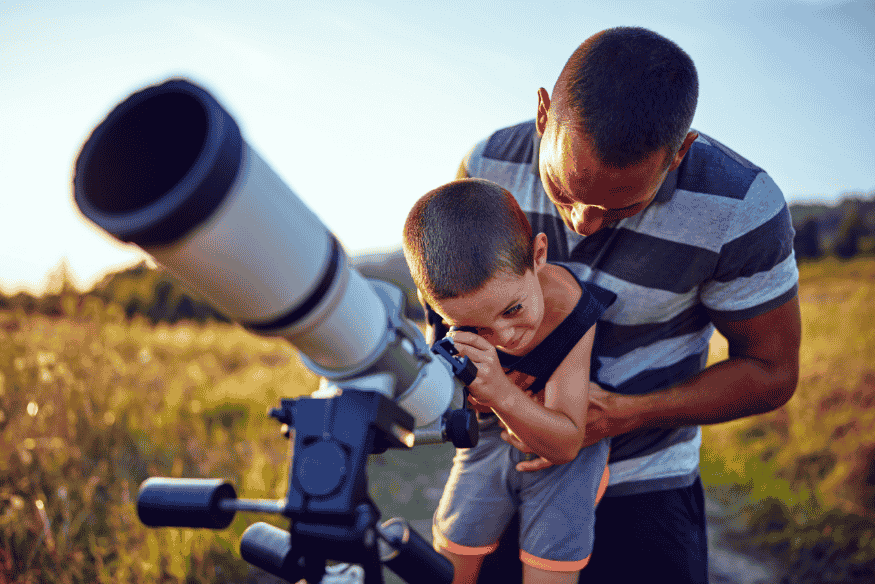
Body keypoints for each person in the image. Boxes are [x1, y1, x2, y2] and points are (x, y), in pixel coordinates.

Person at [358, 25, 802, 583]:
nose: (582, 223)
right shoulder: (487, 165)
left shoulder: (740, 209)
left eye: (620, 207)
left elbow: (772, 372)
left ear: (678, 153)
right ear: (544, 114)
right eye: (563, 190)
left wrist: (625, 413)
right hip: (502, 460)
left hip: (648, 481)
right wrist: (466, 387)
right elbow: (445, 311)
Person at [402, 178, 616, 584]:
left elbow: (568, 441)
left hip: (559, 453)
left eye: (513, 309)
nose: (504, 336)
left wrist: (499, 392)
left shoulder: (569, 309)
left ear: (538, 255)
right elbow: (441, 402)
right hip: (487, 441)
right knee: (451, 558)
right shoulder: (445, 308)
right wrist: (467, 394)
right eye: (473, 327)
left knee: (550, 565)